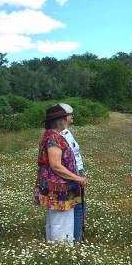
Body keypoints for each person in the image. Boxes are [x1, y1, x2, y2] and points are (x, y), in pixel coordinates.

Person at [34, 104, 87, 244]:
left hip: (59, 187)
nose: (70, 118)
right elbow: (56, 165)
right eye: (67, 117)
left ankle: (57, 249)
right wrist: (78, 178)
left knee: (57, 221)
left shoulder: (53, 135)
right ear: (61, 120)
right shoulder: (54, 138)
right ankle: (60, 250)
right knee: (60, 223)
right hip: (59, 188)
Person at [58, 103, 86, 242]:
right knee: (76, 207)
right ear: (64, 117)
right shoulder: (59, 135)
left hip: (77, 172)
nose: (72, 116)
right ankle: (76, 239)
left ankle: (78, 236)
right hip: (72, 174)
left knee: (79, 205)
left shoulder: (67, 132)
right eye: (70, 114)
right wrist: (76, 176)